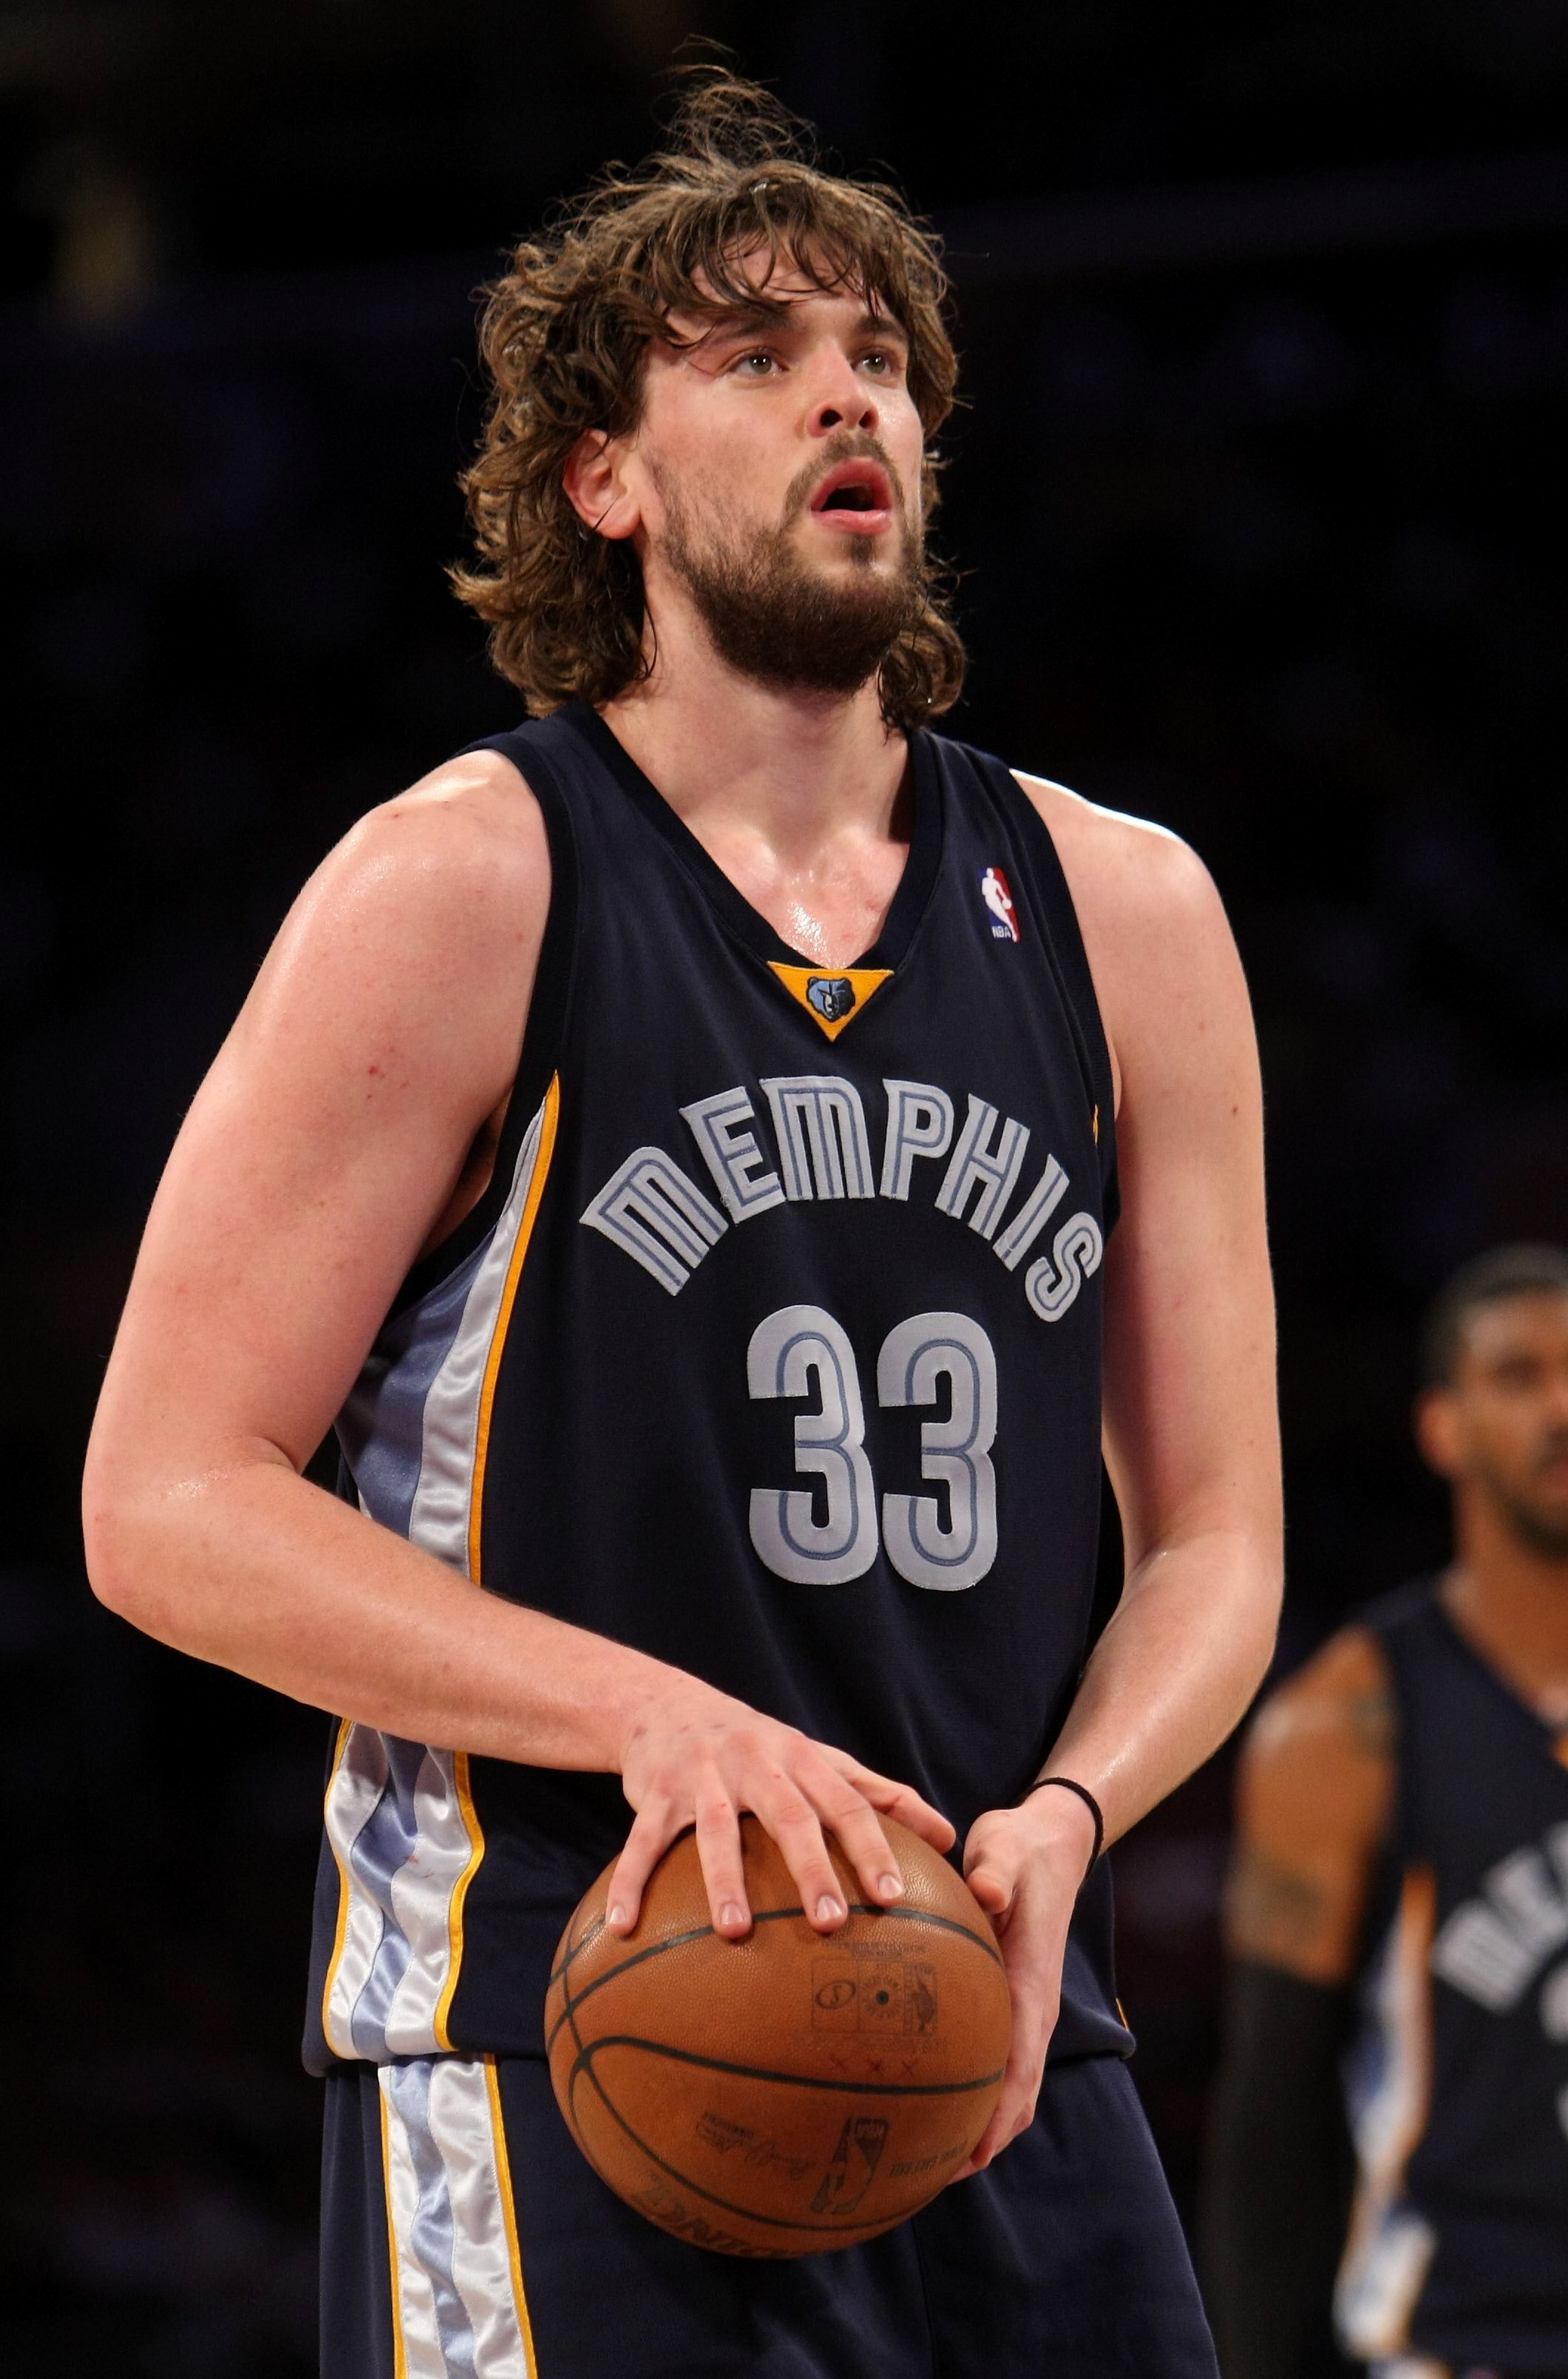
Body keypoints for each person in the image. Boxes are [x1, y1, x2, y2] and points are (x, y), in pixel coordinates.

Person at [83, 71, 1280, 2379]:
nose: (851, 394)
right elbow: (163, 1503)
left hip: (1000, 2018)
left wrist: (1073, 1811)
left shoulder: (1126, 911)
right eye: (755, 356)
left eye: (882, 357)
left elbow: (1217, 1535)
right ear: (599, 480)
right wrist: (651, 1719)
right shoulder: (460, 884)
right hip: (572, 2022)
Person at [1203, 1244, 1568, 2379]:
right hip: (1454, 2342)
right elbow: (1274, 2122)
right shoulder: (1347, 1722)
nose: (1562, 1409)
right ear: (1442, 1429)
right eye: (1518, 1376)